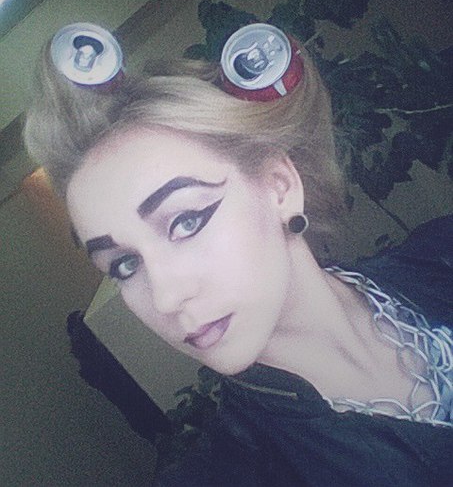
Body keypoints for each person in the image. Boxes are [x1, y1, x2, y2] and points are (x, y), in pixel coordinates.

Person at [24, 24, 452, 486]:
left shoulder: (440, 256)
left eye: (185, 222)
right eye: (124, 265)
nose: (166, 298)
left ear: (279, 187)